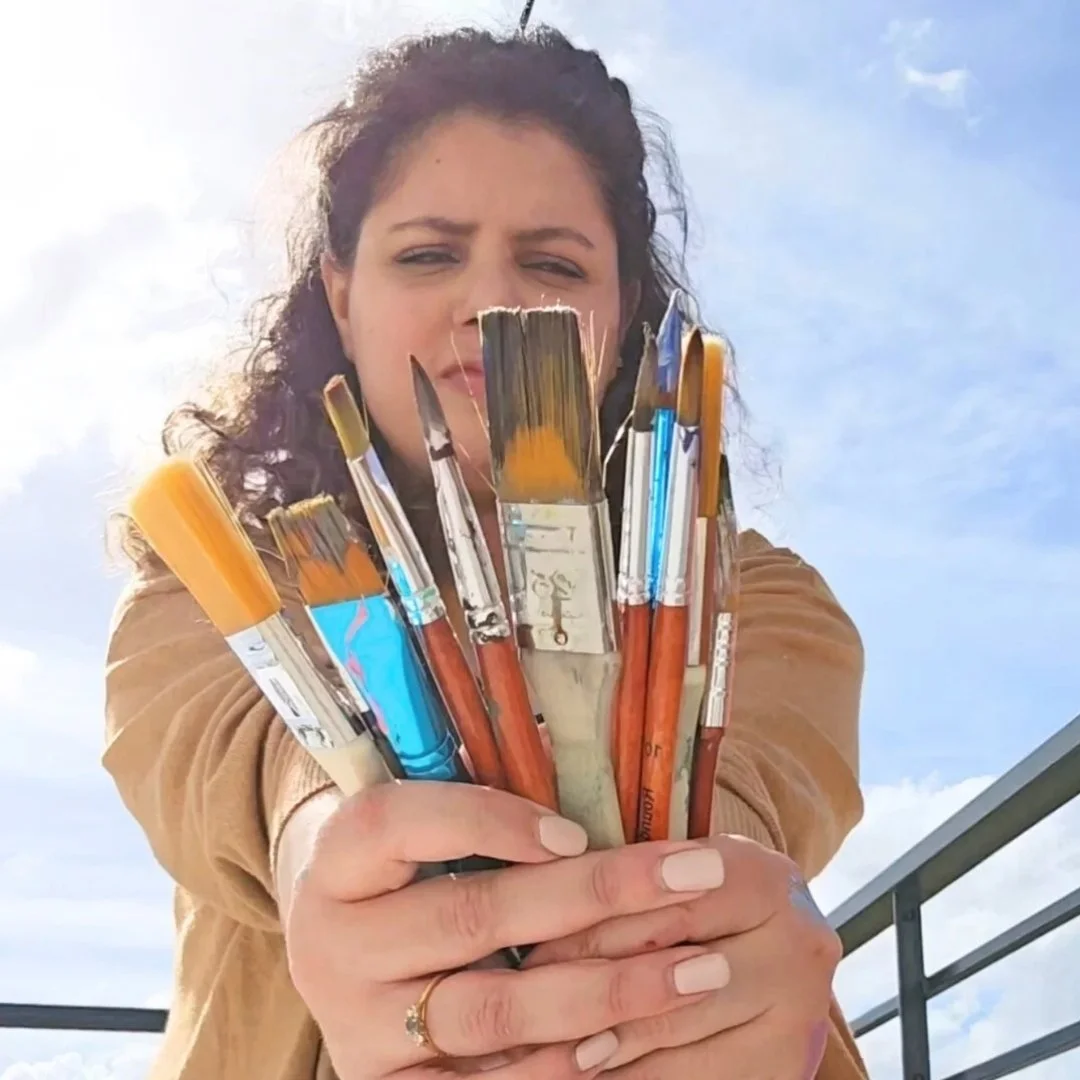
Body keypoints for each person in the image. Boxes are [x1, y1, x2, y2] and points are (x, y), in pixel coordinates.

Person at [104, 24, 867, 1080]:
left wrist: (694, 907)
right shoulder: (200, 579)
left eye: (553, 261)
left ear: (622, 315)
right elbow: (220, 749)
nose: (491, 302)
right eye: (428, 254)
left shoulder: (759, 592)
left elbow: (762, 774)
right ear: (340, 293)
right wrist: (324, 836)